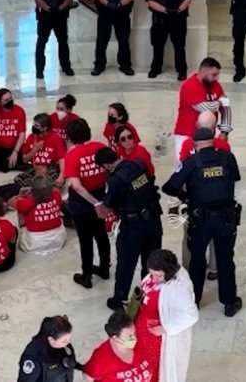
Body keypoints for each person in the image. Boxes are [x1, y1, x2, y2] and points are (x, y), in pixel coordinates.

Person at [162, 127, 243, 317]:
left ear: (195, 145)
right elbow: (235, 178)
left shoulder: (191, 162)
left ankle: (194, 301)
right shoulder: (227, 158)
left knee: (197, 261)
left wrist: (187, 195)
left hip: (200, 221)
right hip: (226, 219)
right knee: (225, 260)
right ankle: (230, 303)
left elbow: (169, 187)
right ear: (212, 141)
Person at [94, 147, 162, 310]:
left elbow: (108, 206)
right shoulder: (139, 165)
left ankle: (119, 300)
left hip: (133, 227)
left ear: (106, 166)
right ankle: (147, 297)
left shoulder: (114, 180)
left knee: (126, 264)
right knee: (151, 262)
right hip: (153, 220)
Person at [177, 111, 232, 281]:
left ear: (197, 126)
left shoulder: (188, 144)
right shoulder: (223, 146)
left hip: (194, 200)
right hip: (219, 201)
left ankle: (188, 266)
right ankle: (214, 269)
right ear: (215, 128)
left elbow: (182, 169)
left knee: (189, 235)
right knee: (218, 236)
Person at [134, 250, 197, 382]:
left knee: (154, 369)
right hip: (141, 330)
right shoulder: (156, 275)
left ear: (168, 272)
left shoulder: (178, 288)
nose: (154, 279)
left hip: (156, 338)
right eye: (151, 274)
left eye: (158, 276)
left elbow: (191, 315)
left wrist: (164, 328)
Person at [63, 119, 109, 289]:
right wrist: (100, 202)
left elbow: (76, 185)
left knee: (85, 239)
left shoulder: (72, 155)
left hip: (82, 204)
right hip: (100, 195)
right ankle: (104, 269)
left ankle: (87, 275)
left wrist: (94, 203)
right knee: (101, 235)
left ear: (70, 137)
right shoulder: (99, 147)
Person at [173, 58, 232, 164]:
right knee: (183, 166)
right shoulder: (189, 86)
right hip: (187, 135)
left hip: (207, 137)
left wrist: (224, 132)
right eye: (213, 75)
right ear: (203, 71)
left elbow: (226, 108)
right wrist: (221, 102)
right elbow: (205, 107)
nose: (216, 78)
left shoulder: (214, 84)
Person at [91, 0, 138, 77]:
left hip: (121, 13)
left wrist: (120, 4)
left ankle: (125, 65)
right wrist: (107, 3)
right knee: (102, 40)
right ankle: (99, 65)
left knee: (123, 40)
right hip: (106, 11)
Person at [145, 0, 191, 81]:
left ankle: (181, 70)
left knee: (179, 46)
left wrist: (178, 10)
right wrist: (165, 10)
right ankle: (156, 68)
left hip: (178, 19)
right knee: (158, 45)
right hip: (160, 20)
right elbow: (150, 1)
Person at [33, 0, 75, 79]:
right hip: (45, 17)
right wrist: (48, 9)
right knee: (41, 43)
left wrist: (61, 8)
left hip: (60, 16)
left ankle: (66, 67)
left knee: (63, 42)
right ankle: (40, 70)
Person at [82, 312, 152, 382]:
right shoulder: (102, 356)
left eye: (134, 332)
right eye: (129, 336)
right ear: (115, 337)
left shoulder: (140, 342)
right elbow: (88, 376)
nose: (134, 338)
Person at [14, 175, 66, 255]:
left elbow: (14, 201)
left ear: (33, 191)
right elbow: (56, 190)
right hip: (58, 240)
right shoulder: (57, 196)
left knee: (20, 209)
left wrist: (22, 196)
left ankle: (23, 230)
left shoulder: (25, 202)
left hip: (34, 243)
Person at [18, 315, 80, 381]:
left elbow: (70, 363)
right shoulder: (34, 357)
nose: (68, 342)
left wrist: (84, 368)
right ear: (51, 340)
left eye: (69, 338)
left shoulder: (64, 346)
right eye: (64, 341)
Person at [15, 113, 67, 187]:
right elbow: (25, 160)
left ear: (45, 128)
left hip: (50, 170)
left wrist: (61, 176)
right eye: (34, 124)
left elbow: (62, 159)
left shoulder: (56, 138)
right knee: (18, 179)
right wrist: (34, 150)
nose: (34, 127)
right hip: (36, 170)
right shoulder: (31, 137)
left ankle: (37, 188)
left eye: (37, 126)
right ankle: (38, 187)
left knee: (57, 181)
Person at [0, 88, 26, 172]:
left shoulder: (19, 110)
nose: (10, 101)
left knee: (20, 161)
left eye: (10, 98)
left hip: (15, 146)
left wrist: (15, 152)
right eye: (6, 100)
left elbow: (22, 135)